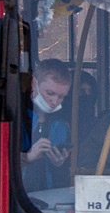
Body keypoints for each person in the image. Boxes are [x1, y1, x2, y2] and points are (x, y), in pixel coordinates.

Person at [20, 59, 72, 190]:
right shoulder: (13, 119)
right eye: (50, 93)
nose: (55, 101)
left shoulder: (62, 127)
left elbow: (64, 183)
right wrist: (25, 158)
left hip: (46, 200)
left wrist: (59, 165)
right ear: (33, 84)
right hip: (14, 198)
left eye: (61, 97)